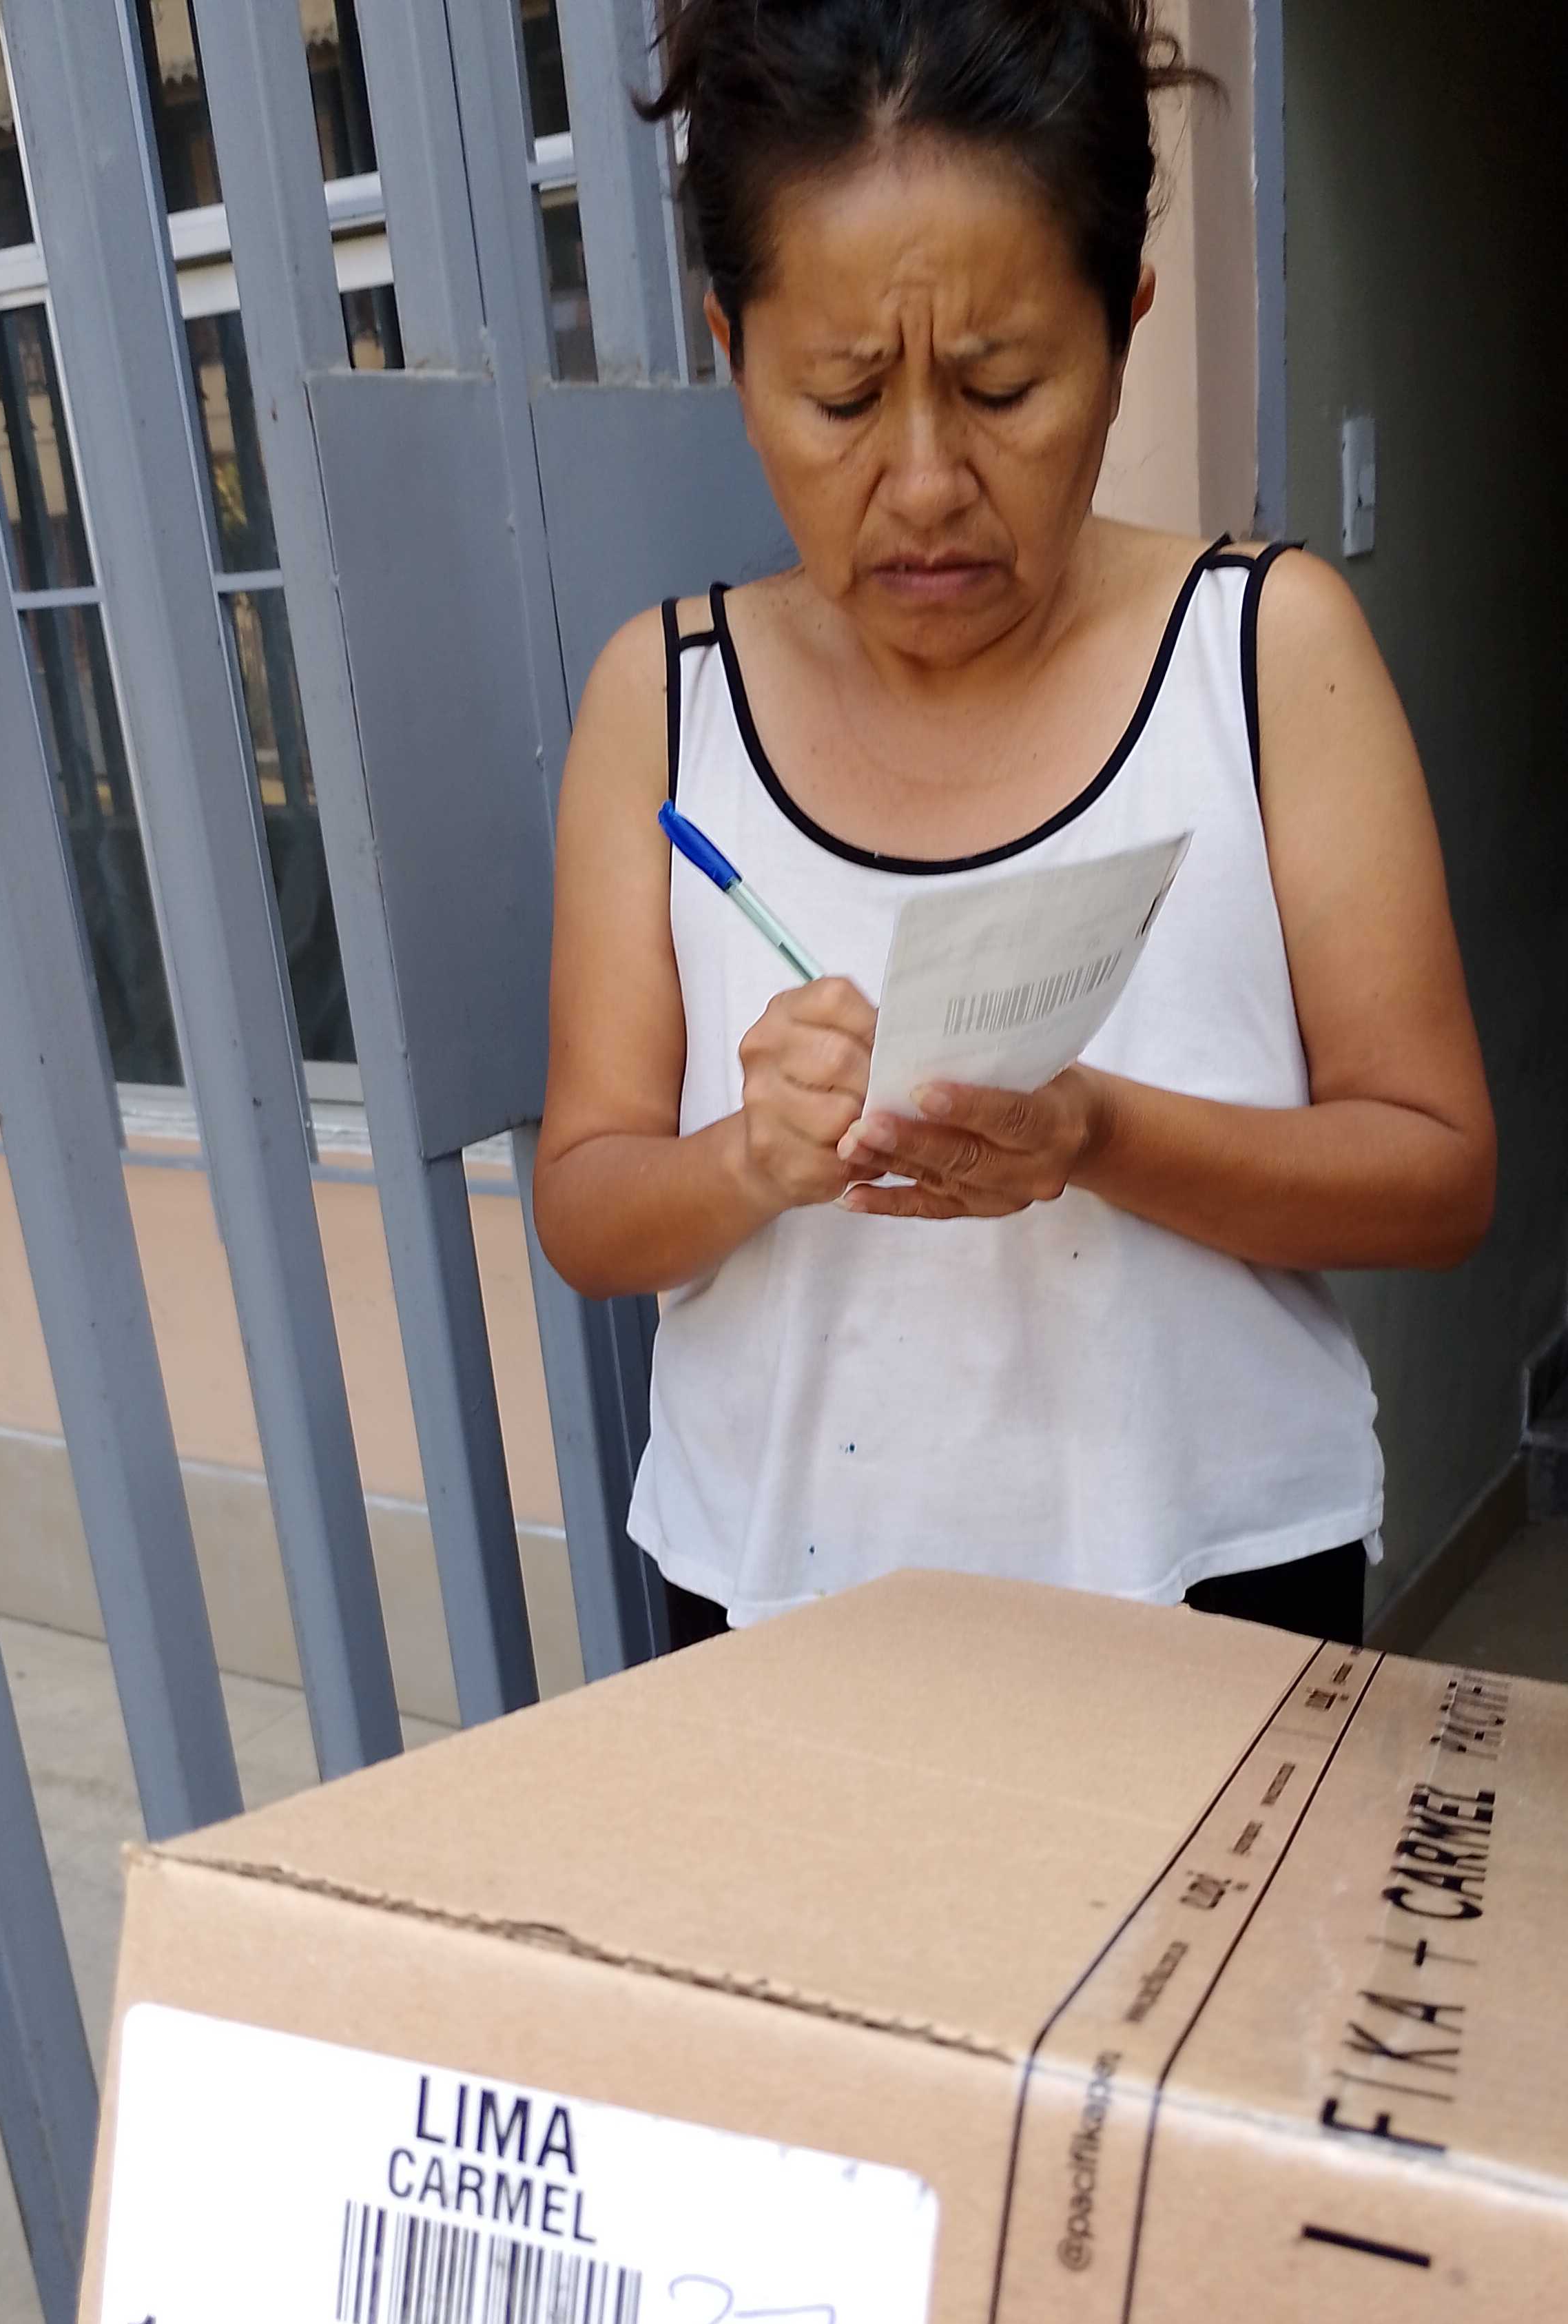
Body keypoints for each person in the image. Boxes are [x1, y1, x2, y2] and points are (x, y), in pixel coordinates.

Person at [533, 0, 1496, 1654]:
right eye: (840, 398)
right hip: (784, 1595)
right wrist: (747, 1159)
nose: (923, 483)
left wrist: (1095, 1137)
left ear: (1121, 328)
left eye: (1000, 386)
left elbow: (1433, 1178)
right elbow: (585, 1206)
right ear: (732, 353)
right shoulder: (665, 702)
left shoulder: (1264, 657)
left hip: (1211, 1576)